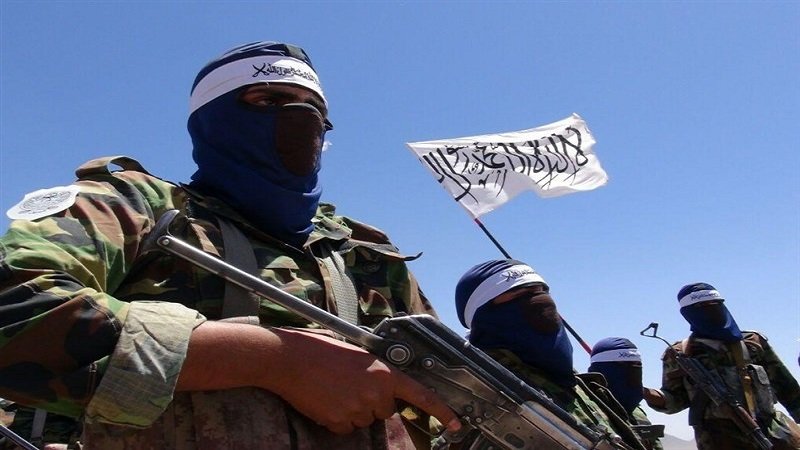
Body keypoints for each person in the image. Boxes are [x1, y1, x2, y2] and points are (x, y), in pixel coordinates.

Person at [0, 41, 460, 449]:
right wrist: (271, 360)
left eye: (313, 110)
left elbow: (451, 393)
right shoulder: (137, 206)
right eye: (269, 100)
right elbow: (16, 306)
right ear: (212, 122)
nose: (301, 120)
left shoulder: (364, 253)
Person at [448, 259, 646, 450]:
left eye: (542, 291)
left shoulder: (583, 388)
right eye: (521, 293)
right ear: (484, 315)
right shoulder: (474, 392)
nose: (541, 299)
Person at [643, 282, 800, 450]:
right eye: (702, 307)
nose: (711, 310)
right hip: (719, 441)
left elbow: (788, 389)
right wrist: (648, 394)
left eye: (715, 304)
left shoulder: (753, 342)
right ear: (688, 313)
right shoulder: (678, 354)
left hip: (772, 435)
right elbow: (675, 400)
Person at [588, 337, 664, 450]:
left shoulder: (637, 413)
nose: (634, 372)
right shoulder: (588, 410)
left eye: (637, 365)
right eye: (623, 364)